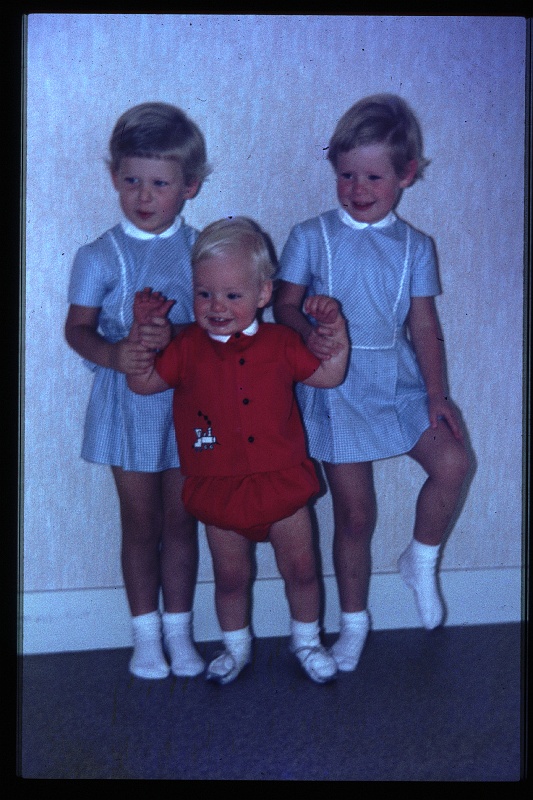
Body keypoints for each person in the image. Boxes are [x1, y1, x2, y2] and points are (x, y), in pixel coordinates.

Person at [273, 94, 470, 672]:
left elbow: (425, 325)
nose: (358, 188)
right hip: (336, 385)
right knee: (355, 516)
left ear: (406, 175)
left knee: (454, 463)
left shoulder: (415, 247)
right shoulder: (312, 235)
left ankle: (421, 560)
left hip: (400, 380)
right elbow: (282, 306)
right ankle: (354, 623)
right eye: (346, 174)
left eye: (374, 176)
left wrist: (437, 395)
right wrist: (310, 326)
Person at [127, 216, 349, 685]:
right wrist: (143, 335)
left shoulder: (283, 342)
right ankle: (236, 649)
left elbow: (329, 375)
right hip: (219, 488)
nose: (217, 306)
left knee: (303, 570)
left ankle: (307, 641)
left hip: (282, 482)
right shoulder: (186, 346)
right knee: (230, 577)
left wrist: (336, 336)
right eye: (205, 293)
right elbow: (143, 383)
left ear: (263, 294)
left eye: (232, 295)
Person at [65, 102, 211, 680]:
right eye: (132, 181)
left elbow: (222, 321)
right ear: (114, 179)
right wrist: (113, 352)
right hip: (126, 404)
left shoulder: (205, 249)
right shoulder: (100, 254)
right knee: (140, 522)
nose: (144, 196)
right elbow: (76, 328)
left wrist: (176, 331)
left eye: (159, 183)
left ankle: (179, 631)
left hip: (189, 402)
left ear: (189, 186)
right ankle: (144, 635)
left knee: (183, 520)